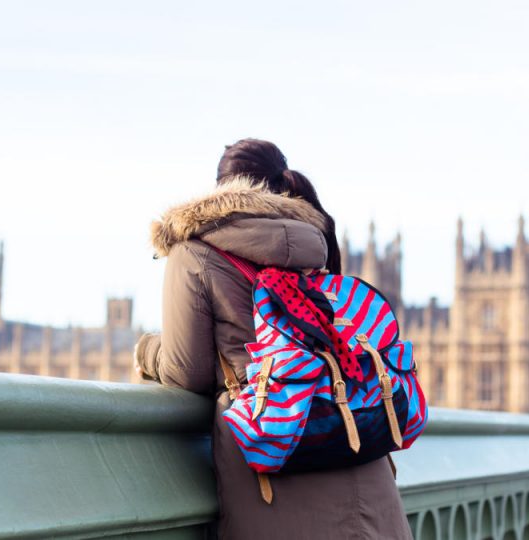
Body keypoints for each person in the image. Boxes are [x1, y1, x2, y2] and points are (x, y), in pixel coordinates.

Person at [134, 139, 412, 539]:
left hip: (278, 477)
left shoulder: (194, 253)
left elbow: (186, 372)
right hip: (365, 471)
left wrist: (147, 350)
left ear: (220, 189)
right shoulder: (313, 247)